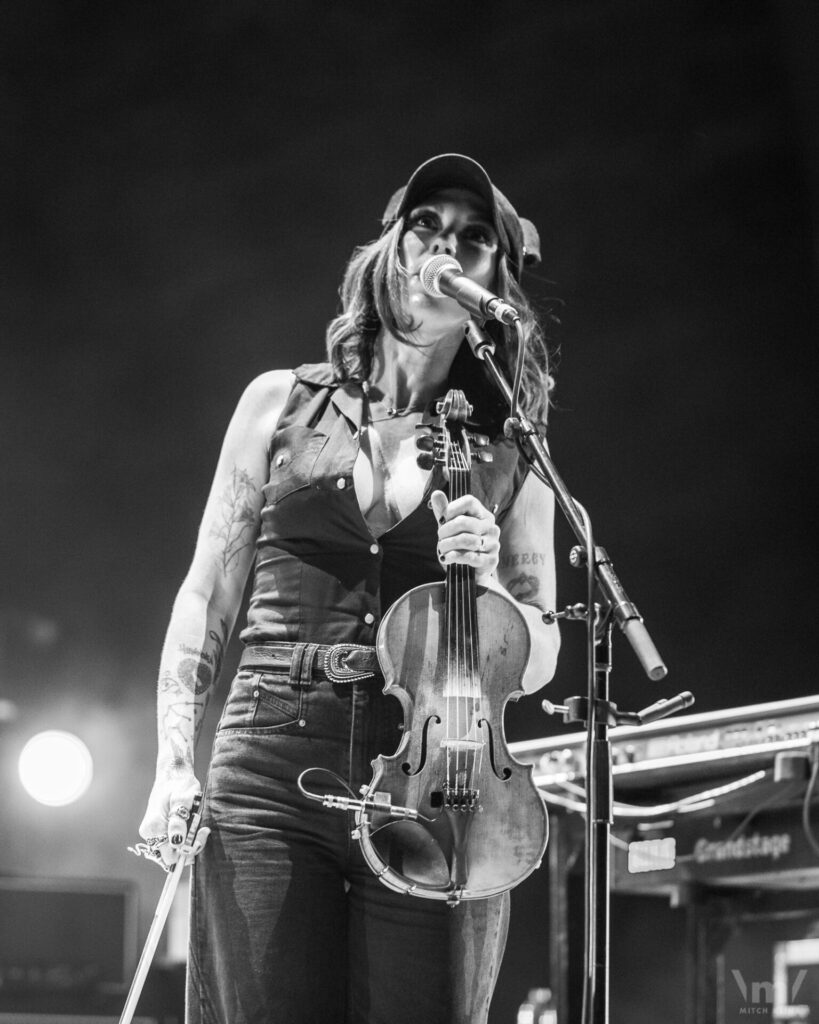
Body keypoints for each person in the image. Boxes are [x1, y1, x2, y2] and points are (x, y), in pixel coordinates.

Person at [138, 153, 561, 1024]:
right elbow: (204, 596)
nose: (445, 248)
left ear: (493, 278)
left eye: (472, 240)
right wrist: (173, 762)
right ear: (391, 251)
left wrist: (487, 585)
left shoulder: (512, 459)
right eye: (426, 228)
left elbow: (543, 650)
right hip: (266, 763)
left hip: (437, 782)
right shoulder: (278, 404)